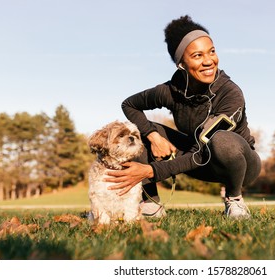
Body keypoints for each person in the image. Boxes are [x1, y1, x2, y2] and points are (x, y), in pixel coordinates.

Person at [104, 15, 261, 219]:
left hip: (239, 166)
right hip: (197, 162)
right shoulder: (170, 91)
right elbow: (130, 105)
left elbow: (201, 151)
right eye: (197, 55)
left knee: (222, 141)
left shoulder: (230, 94)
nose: (208, 61)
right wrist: (153, 136)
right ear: (181, 64)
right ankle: (151, 204)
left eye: (211, 52)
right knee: (140, 131)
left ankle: (235, 200)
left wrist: (150, 171)